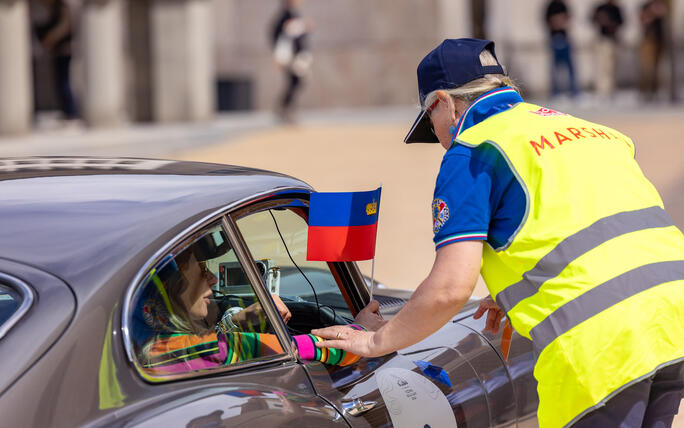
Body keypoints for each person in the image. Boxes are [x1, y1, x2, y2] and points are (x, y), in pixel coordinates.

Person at [313, 39, 684, 428]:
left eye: (432, 125)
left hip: (603, 339)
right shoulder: (589, 130)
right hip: (673, 316)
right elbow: (596, 227)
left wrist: (375, 341)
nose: (440, 140)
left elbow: (450, 288)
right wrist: (518, 287)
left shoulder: (473, 148)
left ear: (444, 102)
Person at [134, 241, 382, 375]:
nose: (212, 279)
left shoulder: (145, 345)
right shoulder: (188, 348)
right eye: (200, 270)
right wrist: (361, 330)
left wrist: (235, 323)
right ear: (168, 288)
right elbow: (302, 349)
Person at [30, 0, 78, 120]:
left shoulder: (62, 7)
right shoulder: (55, 8)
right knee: (61, 82)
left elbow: (65, 27)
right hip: (59, 52)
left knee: (64, 82)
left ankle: (71, 112)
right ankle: (68, 111)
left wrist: (50, 39)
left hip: (64, 51)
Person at [270, 0, 312, 123]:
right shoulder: (285, 15)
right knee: (295, 81)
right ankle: (284, 108)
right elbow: (279, 33)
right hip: (290, 56)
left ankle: (285, 108)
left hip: (296, 55)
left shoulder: (293, 14)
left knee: (296, 82)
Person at [545, 0, 578, 98]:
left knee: (570, 66)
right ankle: (556, 93)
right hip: (554, 38)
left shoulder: (564, 5)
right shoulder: (551, 6)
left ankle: (574, 92)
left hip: (565, 38)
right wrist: (557, 21)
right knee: (556, 67)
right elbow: (549, 20)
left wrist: (561, 21)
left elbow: (568, 19)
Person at [591, 0, 624, 99]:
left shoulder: (616, 9)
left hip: (613, 40)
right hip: (602, 40)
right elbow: (593, 19)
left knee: (612, 67)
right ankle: (602, 90)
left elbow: (621, 22)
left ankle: (611, 89)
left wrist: (611, 23)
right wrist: (601, 19)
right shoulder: (600, 8)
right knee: (602, 66)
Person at [639, 0, 666, 101]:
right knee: (647, 67)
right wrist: (652, 13)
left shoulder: (662, 5)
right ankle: (645, 91)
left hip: (660, 39)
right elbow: (642, 20)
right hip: (649, 40)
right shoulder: (646, 6)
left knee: (657, 68)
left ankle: (655, 91)